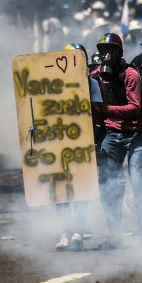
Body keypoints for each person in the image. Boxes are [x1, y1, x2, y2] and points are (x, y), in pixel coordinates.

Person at [90, 32, 142, 249]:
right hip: (112, 134)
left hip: (134, 133)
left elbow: (136, 107)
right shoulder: (97, 76)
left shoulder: (130, 75)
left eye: (111, 51)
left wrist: (107, 109)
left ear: (119, 53)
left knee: (139, 183)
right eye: (103, 51)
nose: (107, 55)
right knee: (108, 184)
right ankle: (114, 234)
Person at [54, 43, 92, 251]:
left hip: (82, 143)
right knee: (60, 190)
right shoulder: (53, 83)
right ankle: (64, 232)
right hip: (60, 143)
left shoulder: (92, 83)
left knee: (81, 189)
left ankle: (78, 229)